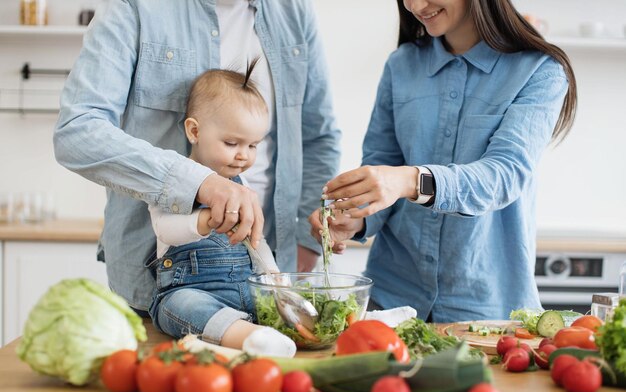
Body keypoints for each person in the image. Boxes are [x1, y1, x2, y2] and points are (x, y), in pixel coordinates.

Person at [53, 0, 341, 317]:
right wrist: (201, 183)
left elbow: (319, 138)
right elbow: (77, 132)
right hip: (155, 283)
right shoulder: (134, 7)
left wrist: (306, 244)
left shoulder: (294, 12)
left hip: (270, 278)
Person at [309, 0, 577, 322]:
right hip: (390, 301)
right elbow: (383, 165)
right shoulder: (401, 65)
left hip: (486, 312)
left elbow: (503, 176)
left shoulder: (538, 70)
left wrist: (409, 180)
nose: (415, 5)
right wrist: (356, 219)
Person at [146, 63, 296, 356]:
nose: (244, 155)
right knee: (178, 308)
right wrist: (203, 220)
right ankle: (249, 337)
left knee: (292, 300)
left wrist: (273, 274)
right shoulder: (170, 177)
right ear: (194, 131)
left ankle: (365, 321)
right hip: (191, 289)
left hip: (247, 288)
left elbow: (256, 239)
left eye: (253, 145)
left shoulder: (243, 185)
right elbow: (164, 229)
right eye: (231, 143)